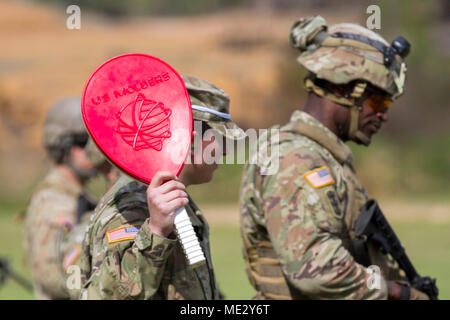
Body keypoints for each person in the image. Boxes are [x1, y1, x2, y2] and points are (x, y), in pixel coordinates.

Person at [239, 16, 429, 300]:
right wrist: (399, 293)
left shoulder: (324, 158)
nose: (383, 115)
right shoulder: (296, 160)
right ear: (345, 89)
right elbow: (317, 272)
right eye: (379, 101)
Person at [79, 75, 245, 300]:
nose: (225, 152)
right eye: (220, 139)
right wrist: (155, 233)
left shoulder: (172, 198)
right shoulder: (132, 208)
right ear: (192, 140)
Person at [23, 96, 99, 299]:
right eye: (83, 142)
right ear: (62, 146)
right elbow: (50, 277)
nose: (93, 149)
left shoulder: (77, 195)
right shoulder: (53, 201)